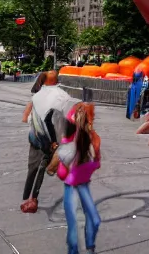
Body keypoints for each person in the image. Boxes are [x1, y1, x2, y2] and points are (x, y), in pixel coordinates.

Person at [21, 69, 76, 213]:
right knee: (61, 166)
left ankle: (29, 197)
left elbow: (27, 118)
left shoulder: (36, 96)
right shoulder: (63, 96)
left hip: (37, 138)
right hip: (55, 141)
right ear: (57, 81)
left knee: (34, 168)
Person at [50, 104, 101, 254]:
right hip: (72, 184)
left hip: (82, 183)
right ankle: (74, 251)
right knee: (74, 225)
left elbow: (96, 163)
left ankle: (89, 247)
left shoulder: (93, 138)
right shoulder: (72, 140)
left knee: (93, 220)